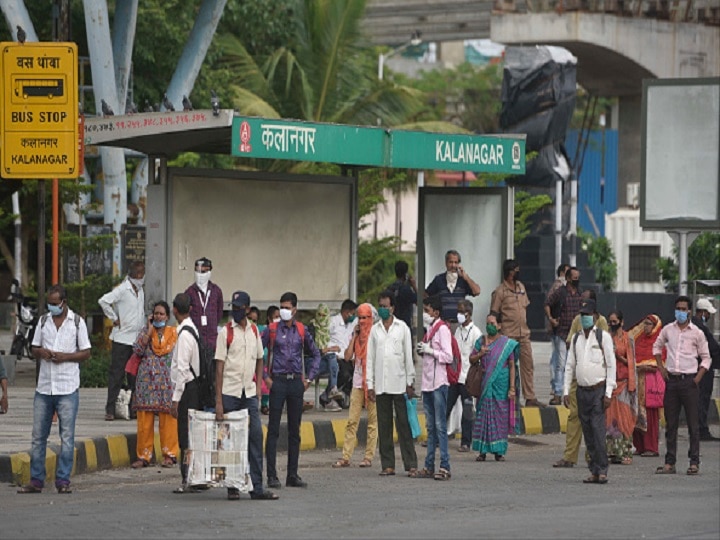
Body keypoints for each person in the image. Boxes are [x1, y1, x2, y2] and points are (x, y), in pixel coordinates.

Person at [17, 284, 91, 494]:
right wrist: (43, 353)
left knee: (66, 437)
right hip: (44, 387)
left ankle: (63, 480)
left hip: (67, 386)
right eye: (49, 304)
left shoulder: (77, 323)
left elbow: (86, 352)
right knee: (38, 436)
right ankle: (36, 480)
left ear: (64, 302)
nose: (52, 308)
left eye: (55, 304)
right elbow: (34, 347)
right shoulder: (43, 321)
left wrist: (65, 357)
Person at [214, 291, 278, 500]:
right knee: (230, 441)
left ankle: (256, 487)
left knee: (255, 437)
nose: (236, 310)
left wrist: (258, 386)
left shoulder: (254, 332)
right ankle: (232, 486)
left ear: (248, 309)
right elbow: (219, 367)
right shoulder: (225, 332)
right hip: (230, 393)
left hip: (249, 393)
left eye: (240, 307)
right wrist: (219, 403)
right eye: (234, 306)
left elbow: (260, 358)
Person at [262, 291, 321, 489]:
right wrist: (265, 377)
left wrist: (309, 379)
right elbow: (257, 353)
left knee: (294, 431)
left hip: (296, 382)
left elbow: (315, 354)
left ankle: (292, 474)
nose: (284, 311)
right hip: (277, 382)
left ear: (295, 309)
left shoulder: (302, 331)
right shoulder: (271, 330)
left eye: (287, 308)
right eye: (282, 307)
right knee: (273, 430)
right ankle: (271, 475)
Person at [653, 295, 711, 476]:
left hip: (690, 381)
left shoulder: (697, 333)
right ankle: (670, 462)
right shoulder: (668, 330)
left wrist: (698, 378)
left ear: (690, 311)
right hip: (672, 381)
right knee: (671, 424)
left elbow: (706, 357)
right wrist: (661, 368)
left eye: (684, 309)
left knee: (693, 425)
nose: (680, 312)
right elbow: (656, 347)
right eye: (678, 308)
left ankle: (694, 462)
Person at [563, 298, 616, 485]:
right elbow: (569, 365)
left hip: (598, 391)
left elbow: (611, 365)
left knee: (597, 430)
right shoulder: (577, 338)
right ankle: (593, 470)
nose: (585, 318)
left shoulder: (603, 337)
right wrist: (565, 391)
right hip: (581, 391)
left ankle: (602, 470)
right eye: (582, 315)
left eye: (588, 315)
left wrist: (608, 393)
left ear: (595, 316)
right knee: (587, 432)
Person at [553, 290, 608, 468]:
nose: (583, 310)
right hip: (578, 376)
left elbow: (607, 353)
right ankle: (570, 456)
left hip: (597, 380)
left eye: (586, 303)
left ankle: (594, 458)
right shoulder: (577, 321)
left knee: (595, 421)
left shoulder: (602, 323)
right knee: (574, 417)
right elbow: (570, 343)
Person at [367, 291, 417, 477]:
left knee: (404, 425)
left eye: (386, 306)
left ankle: (411, 463)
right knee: (384, 425)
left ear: (393, 308)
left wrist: (410, 381)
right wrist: (369, 384)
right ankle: (387, 465)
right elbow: (370, 359)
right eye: (380, 305)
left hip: (399, 383)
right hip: (381, 384)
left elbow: (408, 356)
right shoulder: (375, 329)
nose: (383, 309)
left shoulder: (402, 327)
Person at [130, 301, 179, 469]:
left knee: (169, 419)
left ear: (167, 316)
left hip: (166, 384)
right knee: (144, 421)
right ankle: (143, 456)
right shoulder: (145, 332)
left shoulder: (174, 333)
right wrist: (149, 331)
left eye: (161, 314)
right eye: (156, 313)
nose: (158, 316)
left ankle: (170, 454)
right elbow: (137, 351)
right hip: (146, 383)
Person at [491, 259, 543, 407]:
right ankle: (510, 397)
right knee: (508, 367)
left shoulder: (521, 287)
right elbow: (494, 313)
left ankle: (530, 397)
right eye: (516, 270)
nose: (518, 273)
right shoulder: (500, 291)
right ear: (509, 273)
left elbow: (525, 306)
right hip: (508, 334)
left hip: (524, 333)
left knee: (528, 365)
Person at [98, 260, 146, 421]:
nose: (140, 278)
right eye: (137, 275)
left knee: (134, 376)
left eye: (142, 275)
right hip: (122, 339)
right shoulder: (122, 290)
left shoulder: (140, 291)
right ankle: (110, 409)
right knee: (117, 374)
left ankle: (132, 408)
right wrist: (114, 318)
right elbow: (103, 301)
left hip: (136, 339)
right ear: (131, 275)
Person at [412, 295, 453, 480]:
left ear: (436, 312)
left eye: (427, 310)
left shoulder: (442, 329)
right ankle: (429, 465)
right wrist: (423, 350)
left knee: (440, 426)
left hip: (439, 383)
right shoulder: (429, 330)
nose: (425, 314)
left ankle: (445, 466)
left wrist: (430, 350)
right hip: (427, 383)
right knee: (430, 427)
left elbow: (448, 356)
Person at [469, 312, 519, 462]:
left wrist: (511, 388)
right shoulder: (481, 341)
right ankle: (482, 451)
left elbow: (511, 366)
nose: (489, 326)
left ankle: (499, 451)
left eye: (492, 323)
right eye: (488, 323)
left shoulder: (506, 344)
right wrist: (480, 354)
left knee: (499, 417)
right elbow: (471, 359)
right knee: (483, 415)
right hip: (485, 384)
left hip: (501, 385)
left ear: (499, 326)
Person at [333, 303, 377, 468]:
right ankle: (346, 456)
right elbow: (347, 356)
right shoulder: (356, 335)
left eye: (366, 318)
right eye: (360, 318)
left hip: (372, 383)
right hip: (358, 382)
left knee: (373, 421)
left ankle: (368, 456)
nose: (363, 321)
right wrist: (354, 337)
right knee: (352, 420)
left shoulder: (375, 335)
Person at [169, 293, 201, 493]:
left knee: (185, 437)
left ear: (174, 310)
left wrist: (175, 400)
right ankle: (194, 476)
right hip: (194, 388)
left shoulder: (184, 335)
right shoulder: (193, 329)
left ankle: (187, 478)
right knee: (192, 436)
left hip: (187, 390)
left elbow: (182, 371)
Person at [544, 266, 582, 405]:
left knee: (574, 364)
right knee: (561, 365)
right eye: (574, 278)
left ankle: (571, 393)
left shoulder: (579, 294)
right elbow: (547, 304)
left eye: (578, 278)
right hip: (561, 333)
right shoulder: (560, 292)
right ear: (567, 278)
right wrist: (551, 319)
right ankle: (558, 393)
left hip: (576, 335)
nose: (576, 280)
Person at [448, 299, 482, 452]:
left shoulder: (476, 333)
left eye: (461, 311)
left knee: (467, 410)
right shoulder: (458, 330)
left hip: (467, 378)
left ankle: (466, 442)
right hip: (455, 376)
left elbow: (477, 357)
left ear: (468, 313)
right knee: (446, 407)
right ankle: (436, 438)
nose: (459, 314)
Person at [629, 314, 665, 457]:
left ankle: (651, 447)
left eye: (649, 324)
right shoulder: (638, 340)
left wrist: (645, 367)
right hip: (638, 382)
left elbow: (661, 362)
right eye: (645, 323)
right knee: (637, 414)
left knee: (650, 416)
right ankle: (640, 446)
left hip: (651, 384)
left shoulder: (660, 342)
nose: (646, 327)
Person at [605, 310, 637, 465]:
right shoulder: (606, 338)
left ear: (621, 322)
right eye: (610, 321)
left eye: (615, 321)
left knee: (625, 419)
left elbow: (631, 362)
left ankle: (625, 451)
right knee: (610, 419)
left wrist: (617, 356)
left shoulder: (627, 338)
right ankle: (612, 452)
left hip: (624, 383)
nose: (612, 324)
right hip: (610, 383)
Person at [315, 300, 358, 411]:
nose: (353, 316)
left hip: (346, 357)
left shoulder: (351, 325)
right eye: (352, 313)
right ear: (346, 312)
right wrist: (330, 349)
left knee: (354, 373)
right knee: (344, 373)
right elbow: (323, 339)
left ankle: (327, 396)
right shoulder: (333, 322)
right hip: (332, 356)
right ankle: (328, 396)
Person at [184, 257, 224, 369]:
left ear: (210, 272)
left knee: (211, 374)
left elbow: (219, 312)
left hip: (212, 342)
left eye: (203, 271)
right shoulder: (189, 292)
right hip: (196, 342)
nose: (200, 274)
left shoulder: (216, 291)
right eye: (197, 271)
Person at [424, 249, 481, 324]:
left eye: (456, 262)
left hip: (459, 324)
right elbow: (426, 295)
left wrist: (466, 277)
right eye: (450, 262)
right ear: (446, 263)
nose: (453, 265)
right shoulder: (439, 279)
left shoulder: (463, 280)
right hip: (443, 323)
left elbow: (477, 291)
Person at [692, 298, 720, 441]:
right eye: (708, 313)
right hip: (703, 368)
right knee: (702, 399)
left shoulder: (696, 325)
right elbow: (712, 348)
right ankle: (701, 430)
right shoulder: (700, 328)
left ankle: (700, 429)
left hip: (699, 367)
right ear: (703, 312)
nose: (709, 316)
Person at [545, 263, 569, 402]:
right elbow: (548, 304)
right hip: (559, 331)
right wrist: (552, 320)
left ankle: (558, 387)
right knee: (559, 362)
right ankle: (558, 389)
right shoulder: (558, 287)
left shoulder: (567, 289)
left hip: (563, 330)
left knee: (559, 360)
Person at [388, 260, 417, 329]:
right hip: (405, 324)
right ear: (405, 274)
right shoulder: (406, 289)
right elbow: (419, 301)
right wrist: (414, 286)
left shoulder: (390, 288)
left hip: (392, 324)